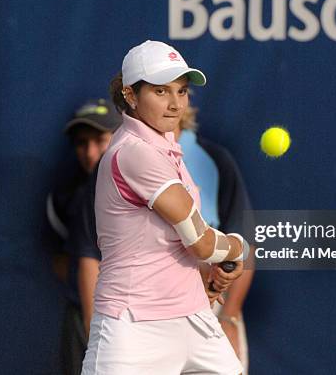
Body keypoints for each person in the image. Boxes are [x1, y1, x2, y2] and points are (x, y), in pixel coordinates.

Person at [81, 40, 248, 375]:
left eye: (182, 92)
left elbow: (176, 246)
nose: (175, 105)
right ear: (130, 95)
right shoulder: (134, 152)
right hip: (132, 329)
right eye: (161, 92)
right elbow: (200, 241)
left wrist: (210, 281)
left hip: (194, 321)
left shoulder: (167, 149)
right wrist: (238, 247)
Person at [174, 105, 255, 373]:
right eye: (158, 91)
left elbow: (245, 247)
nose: (169, 102)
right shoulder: (127, 158)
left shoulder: (213, 160)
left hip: (213, 309)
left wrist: (229, 317)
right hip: (150, 308)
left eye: (177, 91)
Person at [42, 99, 121, 375]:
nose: (90, 152)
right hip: (87, 319)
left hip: (141, 316)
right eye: (81, 144)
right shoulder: (65, 195)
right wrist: (94, 325)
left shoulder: (144, 181)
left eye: (100, 140)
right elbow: (66, 261)